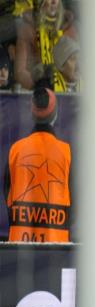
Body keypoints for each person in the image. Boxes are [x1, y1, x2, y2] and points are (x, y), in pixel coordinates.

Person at [4, 87, 72, 242]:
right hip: (57, 247)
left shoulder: (16, 150)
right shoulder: (66, 152)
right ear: (55, 114)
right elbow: (74, 205)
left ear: (32, 113)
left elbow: (8, 199)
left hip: (19, 245)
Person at [15, 0, 78, 90]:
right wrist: (40, 89)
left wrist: (70, 85)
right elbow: (20, 72)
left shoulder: (69, 29)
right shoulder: (28, 29)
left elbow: (77, 66)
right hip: (37, 91)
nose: (54, 1)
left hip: (66, 92)